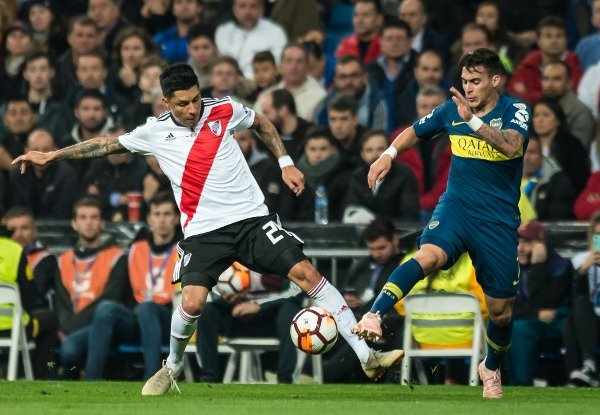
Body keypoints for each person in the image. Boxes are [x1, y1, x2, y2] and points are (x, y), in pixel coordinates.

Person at [13, 62, 404, 394]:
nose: (191, 108)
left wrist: (285, 163)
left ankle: (367, 356)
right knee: (193, 304)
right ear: (166, 102)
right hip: (204, 232)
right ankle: (172, 366)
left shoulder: (225, 109)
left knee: (307, 274)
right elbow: (104, 145)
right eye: (181, 103)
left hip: (251, 220)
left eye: (195, 99)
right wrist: (52, 154)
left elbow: (264, 122)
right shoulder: (153, 132)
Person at [352, 48, 531, 399]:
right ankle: (374, 314)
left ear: (495, 80)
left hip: (496, 221)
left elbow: (512, 148)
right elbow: (415, 131)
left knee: (501, 312)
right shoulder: (452, 109)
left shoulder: (515, 110)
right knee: (428, 256)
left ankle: (490, 367)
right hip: (456, 209)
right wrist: (387, 155)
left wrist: (474, 122)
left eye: (476, 82)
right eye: (465, 81)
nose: (469, 88)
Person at [85, 191, 180, 380]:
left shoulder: (184, 250)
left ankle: (152, 379)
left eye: (167, 214)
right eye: (157, 214)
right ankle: (92, 379)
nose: (162, 220)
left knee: (147, 308)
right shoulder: (136, 249)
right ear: (149, 218)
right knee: (106, 308)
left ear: (177, 219)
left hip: (169, 321)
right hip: (137, 320)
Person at [53, 196, 128, 379]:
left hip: (103, 326)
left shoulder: (117, 257)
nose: (89, 223)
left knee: (69, 348)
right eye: (83, 217)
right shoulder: (63, 260)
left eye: (94, 217)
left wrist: (70, 328)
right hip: (72, 327)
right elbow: (61, 301)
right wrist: (66, 326)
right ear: (74, 223)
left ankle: (91, 381)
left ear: (102, 223)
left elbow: (112, 297)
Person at [197, 262, 302, 383]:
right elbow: (206, 289)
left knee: (289, 309)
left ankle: (285, 380)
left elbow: (297, 290)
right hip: (235, 320)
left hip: (271, 323)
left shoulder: (277, 260)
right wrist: (225, 298)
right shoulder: (225, 256)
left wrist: (259, 306)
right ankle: (208, 378)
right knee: (207, 311)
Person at [508, 220, 572, 386]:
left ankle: (521, 384)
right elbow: (510, 307)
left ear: (541, 245)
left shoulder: (559, 267)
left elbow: (543, 303)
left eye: (527, 242)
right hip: (532, 321)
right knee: (501, 325)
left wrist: (537, 266)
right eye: (517, 242)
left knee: (520, 328)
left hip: (558, 326)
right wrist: (535, 314)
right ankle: (503, 383)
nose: (519, 248)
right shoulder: (513, 268)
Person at [564, 211, 600, 387]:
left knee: (573, 322)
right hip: (590, 317)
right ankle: (586, 369)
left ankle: (582, 373)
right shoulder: (580, 261)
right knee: (577, 308)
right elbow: (575, 294)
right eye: (597, 236)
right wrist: (583, 271)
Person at [521, 135, 575, 220]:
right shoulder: (506, 180)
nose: (527, 158)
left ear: (541, 155)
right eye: (522, 152)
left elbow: (557, 220)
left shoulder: (557, 182)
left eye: (532, 152)